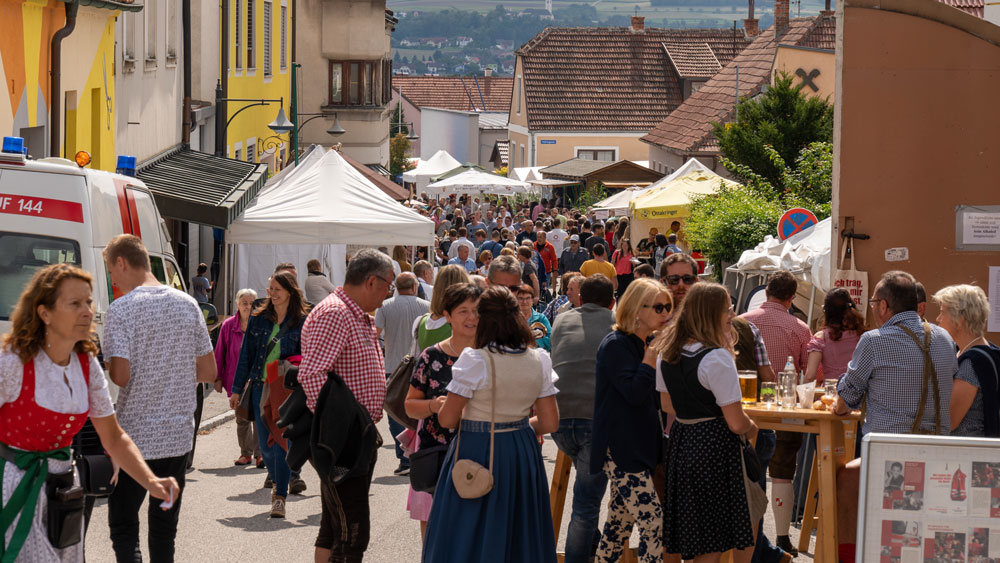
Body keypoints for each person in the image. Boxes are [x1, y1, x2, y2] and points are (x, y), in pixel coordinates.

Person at [0, 264, 179, 563]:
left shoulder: (85, 363)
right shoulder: (14, 361)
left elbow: (113, 436)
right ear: (45, 313)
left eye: (88, 302)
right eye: (74, 303)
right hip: (14, 486)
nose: (87, 311)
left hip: (63, 489)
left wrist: (151, 481)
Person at [422, 286, 559, 562]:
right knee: (521, 529)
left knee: (468, 529)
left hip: (478, 447)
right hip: (522, 450)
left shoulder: (475, 360)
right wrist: (516, 428)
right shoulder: (539, 359)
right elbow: (550, 421)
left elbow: (447, 419)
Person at [102, 235, 217, 561]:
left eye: (112, 272)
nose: (113, 280)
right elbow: (209, 371)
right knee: (164, 531)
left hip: (134, 438)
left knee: (124, 526)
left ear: (122, 263)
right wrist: (173, 378)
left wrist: (109, 363)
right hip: (178, 436)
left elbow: (121, 377)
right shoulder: (188, 304)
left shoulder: (121, 310)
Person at [833, 271, 958, 563]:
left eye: (875, 302)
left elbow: (845, 400)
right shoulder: (944, 339)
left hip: (891, 459)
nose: (873, 308)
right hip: (940, 456)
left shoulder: (874, 341)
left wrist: (840, 394)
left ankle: (848, 558)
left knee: (844, 479)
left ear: (885, 306)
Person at [296, 249, 396, 562]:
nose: (386, 295)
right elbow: (311, 375)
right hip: (344, 441)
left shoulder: (353, 313)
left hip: (355, 436)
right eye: (387, 287)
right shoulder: (336, 313)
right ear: (371, 281)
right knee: (352, 532)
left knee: (334, 525)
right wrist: (338, 434)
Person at [655, 282, 760, 563]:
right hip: (714, 446)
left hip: (683, 440)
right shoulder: (717, 358)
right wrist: (753, 428)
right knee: (714, 537)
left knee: (696, 531)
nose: (732, 314)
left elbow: (667, 406)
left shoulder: (667, 353)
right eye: (727, 309)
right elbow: (736, 422)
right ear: (711, 314)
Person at [592, 278, 672, 563]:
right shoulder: (617, 345)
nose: (666, 314)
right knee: (654, 525)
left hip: (638, 448)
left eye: (668, 307)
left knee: (617, 527)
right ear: (638, 310)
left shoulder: (639, 344)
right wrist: (652, 355)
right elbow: (635, 393)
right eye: (660, 308)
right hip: (622, 450)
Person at [738, 270, 811, 556]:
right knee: (782, 471)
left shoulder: (741, 322)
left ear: (766, 291)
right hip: (785, 406)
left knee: (749, 476)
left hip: (747, 407)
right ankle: (781, 536)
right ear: (791, 298)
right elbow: (805, 372)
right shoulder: (800, 328)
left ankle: (751, 541)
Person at [403, 283, 482, 537]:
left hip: (481, 453)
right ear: (447, 316)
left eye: (476, 310)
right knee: (435, 527)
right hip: (437, 455)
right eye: (463, 311)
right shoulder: (431, 357)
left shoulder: (490, 355)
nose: (471, 317)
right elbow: (409, 406)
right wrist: (432, 406)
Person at [229, 271, 308, 518]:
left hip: (285, 389)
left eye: (277, 289)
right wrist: (236, 389)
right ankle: (276, 482)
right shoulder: (259, 318)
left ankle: (279, 496)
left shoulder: (302, 320)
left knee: (282, 444)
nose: (272, 294)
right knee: (265, 447)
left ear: (290, 291)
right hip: (260, 386)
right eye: (270, 289)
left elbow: (308, 355)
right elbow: (246, 357)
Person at [550, 274, 616, 563]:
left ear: (579, 297)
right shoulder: (617, 323)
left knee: (585, 499)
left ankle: (592, 546)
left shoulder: (561, 320)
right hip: (595, 421)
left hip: (559, 421)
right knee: (586, 506)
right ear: (612, 299)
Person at [375, 273, 430, 476]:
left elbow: (375, 334)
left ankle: (404, 457)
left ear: (396, 287)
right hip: (420, 365)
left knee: (395, 411)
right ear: (415, 286)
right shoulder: (426, 306)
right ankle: (417, 454)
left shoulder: (385, 306)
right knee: (418, 412)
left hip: (394, 366)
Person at [933, 284, 999, 437]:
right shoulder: (988, 351)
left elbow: (948, 421)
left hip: (967, 455)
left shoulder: (972, 364)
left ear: (959, 320)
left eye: (943, 313)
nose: (938, 319)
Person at [214, 288, 261, 467]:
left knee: (257, 417)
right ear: (237, 305)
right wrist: (217, 378)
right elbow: (220, 352)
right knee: (241, 417)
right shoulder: (228, 326)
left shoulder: (260, 325)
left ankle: (260, 454)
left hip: (257, 378)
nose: (248, 307)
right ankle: (245, 453)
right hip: (236, 379)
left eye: (251, 303)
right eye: (244, 303)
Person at [804, 288, 866, 384]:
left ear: (826, 311)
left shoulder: (822, 337)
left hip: (831, 394)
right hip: (858, 395)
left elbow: (810, 376)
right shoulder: (863, 335)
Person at [515, 284, 552, 351]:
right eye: (521, 298)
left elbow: (551, 342)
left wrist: (535, 339)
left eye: (528, 298)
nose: (524, 302)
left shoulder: (541, 318)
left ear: (532, 300)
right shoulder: (510, 319)